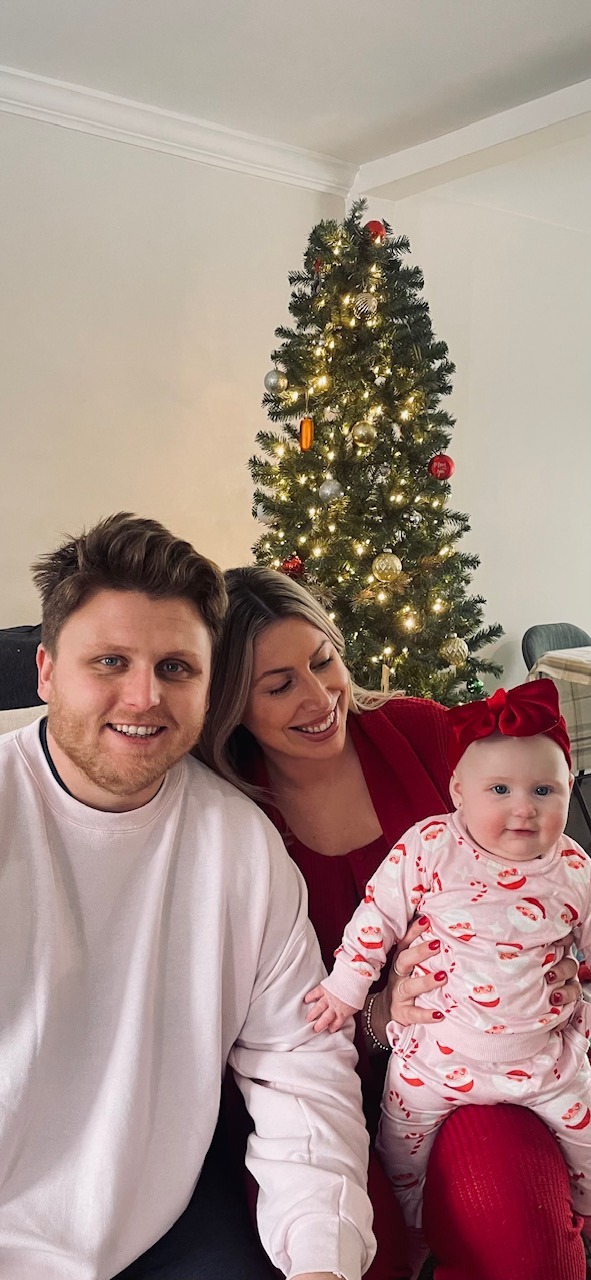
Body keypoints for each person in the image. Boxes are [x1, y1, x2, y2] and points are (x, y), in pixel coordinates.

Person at [0, 514, 375, 1280]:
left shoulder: (240, 844)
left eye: (175, 668)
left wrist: (322, 1258)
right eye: (109, 661)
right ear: (46, 672)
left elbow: (298, 1067)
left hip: (156, 1223)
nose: (144, 698)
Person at [198, 565, 587, 1280]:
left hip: (476, 1063)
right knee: (346, 1253)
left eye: (323, 661)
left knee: (519, 1236)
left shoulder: (423, 735)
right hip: (309, 1093)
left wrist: (565, 963)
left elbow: (546, 838)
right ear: (228, 704)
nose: (320, 698)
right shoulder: (221, 814)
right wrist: (375, 1017)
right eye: (278, 685)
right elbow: (238, 1026)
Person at [307, 679, 591, 1242]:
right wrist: (345, 988)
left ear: (569, 788)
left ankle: (581, 1221)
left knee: (587, 1144)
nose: (523, 809)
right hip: (434, 1058)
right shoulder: (431, 846)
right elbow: (377, 915)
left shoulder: (574, 868)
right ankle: (412, 1235)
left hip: (545, 1063)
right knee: (397, 1153)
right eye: (500, 790)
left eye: (544, 790)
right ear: (459, 790)